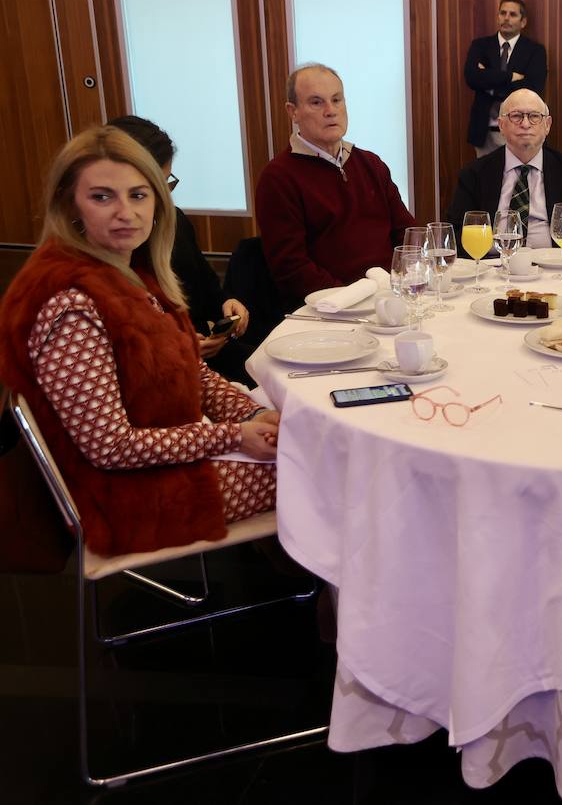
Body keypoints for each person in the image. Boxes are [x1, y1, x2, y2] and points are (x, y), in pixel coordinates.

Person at [0, 126, 281, 557]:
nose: (125, 212)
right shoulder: (69, 303)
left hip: (155, 466)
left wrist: (258, 415)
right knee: (326, 467)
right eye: (102, 196)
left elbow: (195, 373)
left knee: (309, 443)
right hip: (120, 498)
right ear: (69, 204)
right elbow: (111, 447)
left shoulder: (129, 271)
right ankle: (342, 602)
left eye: (138, 194)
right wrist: (233, 437)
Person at [107, 115, 256, 385]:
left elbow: (206, 286)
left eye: (168, 184)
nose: (164, 199)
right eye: (147, 190)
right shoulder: (110, 256)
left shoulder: (173, 221)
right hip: (160, 375)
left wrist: (226, 304)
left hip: (202, 359)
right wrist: (179, 347)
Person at [254, 63, 417, 305]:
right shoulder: (278, 177)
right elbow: (292, 269)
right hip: (330, 310)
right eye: (316, 102)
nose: (331, 111)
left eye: (337, 100)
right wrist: (352, 300)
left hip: (391, 297)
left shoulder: (371, 163)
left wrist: (408, 280)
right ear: (293, 112)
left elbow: (407, 234)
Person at [446, 89, 562, 248]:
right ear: (501, 125)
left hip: (553, 266)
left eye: (534, 116)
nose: (526, 124)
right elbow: (456, 234)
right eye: (516, 116)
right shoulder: (474, 174)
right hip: (491, 266)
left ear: (547, 125)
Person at [464, 0, 549, 157]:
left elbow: (533, 87)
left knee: (518, 180)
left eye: (513, 14)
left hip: (520, 131)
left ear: (523, 22)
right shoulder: (480, 46)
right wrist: (510, 76)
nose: (506, 18)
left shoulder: (535, 51)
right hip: (484, 132)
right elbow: (472, 78)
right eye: (503, 13)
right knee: (486, 181)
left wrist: (489, 83)